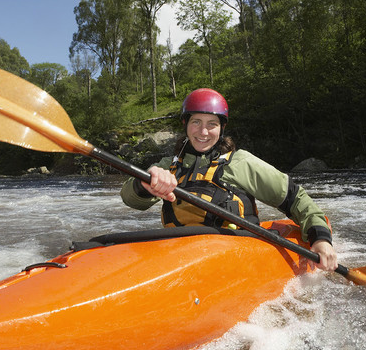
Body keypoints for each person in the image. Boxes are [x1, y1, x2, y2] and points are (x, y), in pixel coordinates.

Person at [120, 88, 337, 271]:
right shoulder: (170, 165)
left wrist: (320, 238)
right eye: (196, 122)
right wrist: (146, 182)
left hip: (235, 259)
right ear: (185, 125)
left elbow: (295, 198)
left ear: (221, 128)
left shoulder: (240, 162)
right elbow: (130, 199)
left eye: (211, 124)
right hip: (179, 256)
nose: (203, 131)